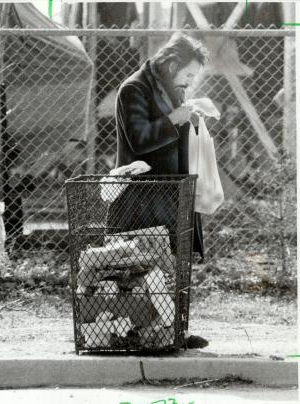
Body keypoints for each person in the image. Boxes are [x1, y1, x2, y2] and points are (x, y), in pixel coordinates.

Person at [107, 32, 209, 349]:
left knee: (172, 265)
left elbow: (173, 130)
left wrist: (191, 119)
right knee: (140, 268)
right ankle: (136, 331)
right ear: (171, 63)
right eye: (188, 74)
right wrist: (175, 118)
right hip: (142, 196)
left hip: (170, 193)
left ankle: (173, 330)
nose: (190, 82)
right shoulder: (133, 89)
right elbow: (139, 140)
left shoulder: (167, 88)